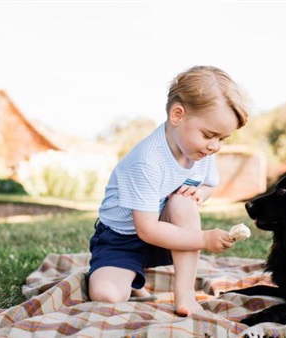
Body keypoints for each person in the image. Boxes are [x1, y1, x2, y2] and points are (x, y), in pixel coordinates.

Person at [87, 65, 249, 317]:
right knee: (107, 296)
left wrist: (199, 195)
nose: (215, 146)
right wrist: (204, 239)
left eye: (222, 139)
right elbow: (147, 229)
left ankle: (184, 294)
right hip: (123, 238)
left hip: (168, 232)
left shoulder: (200, 151)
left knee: (184, 204)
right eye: (209, 135)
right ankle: (128, 275)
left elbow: (208, 184)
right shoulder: (147, 161)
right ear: (177, 115)